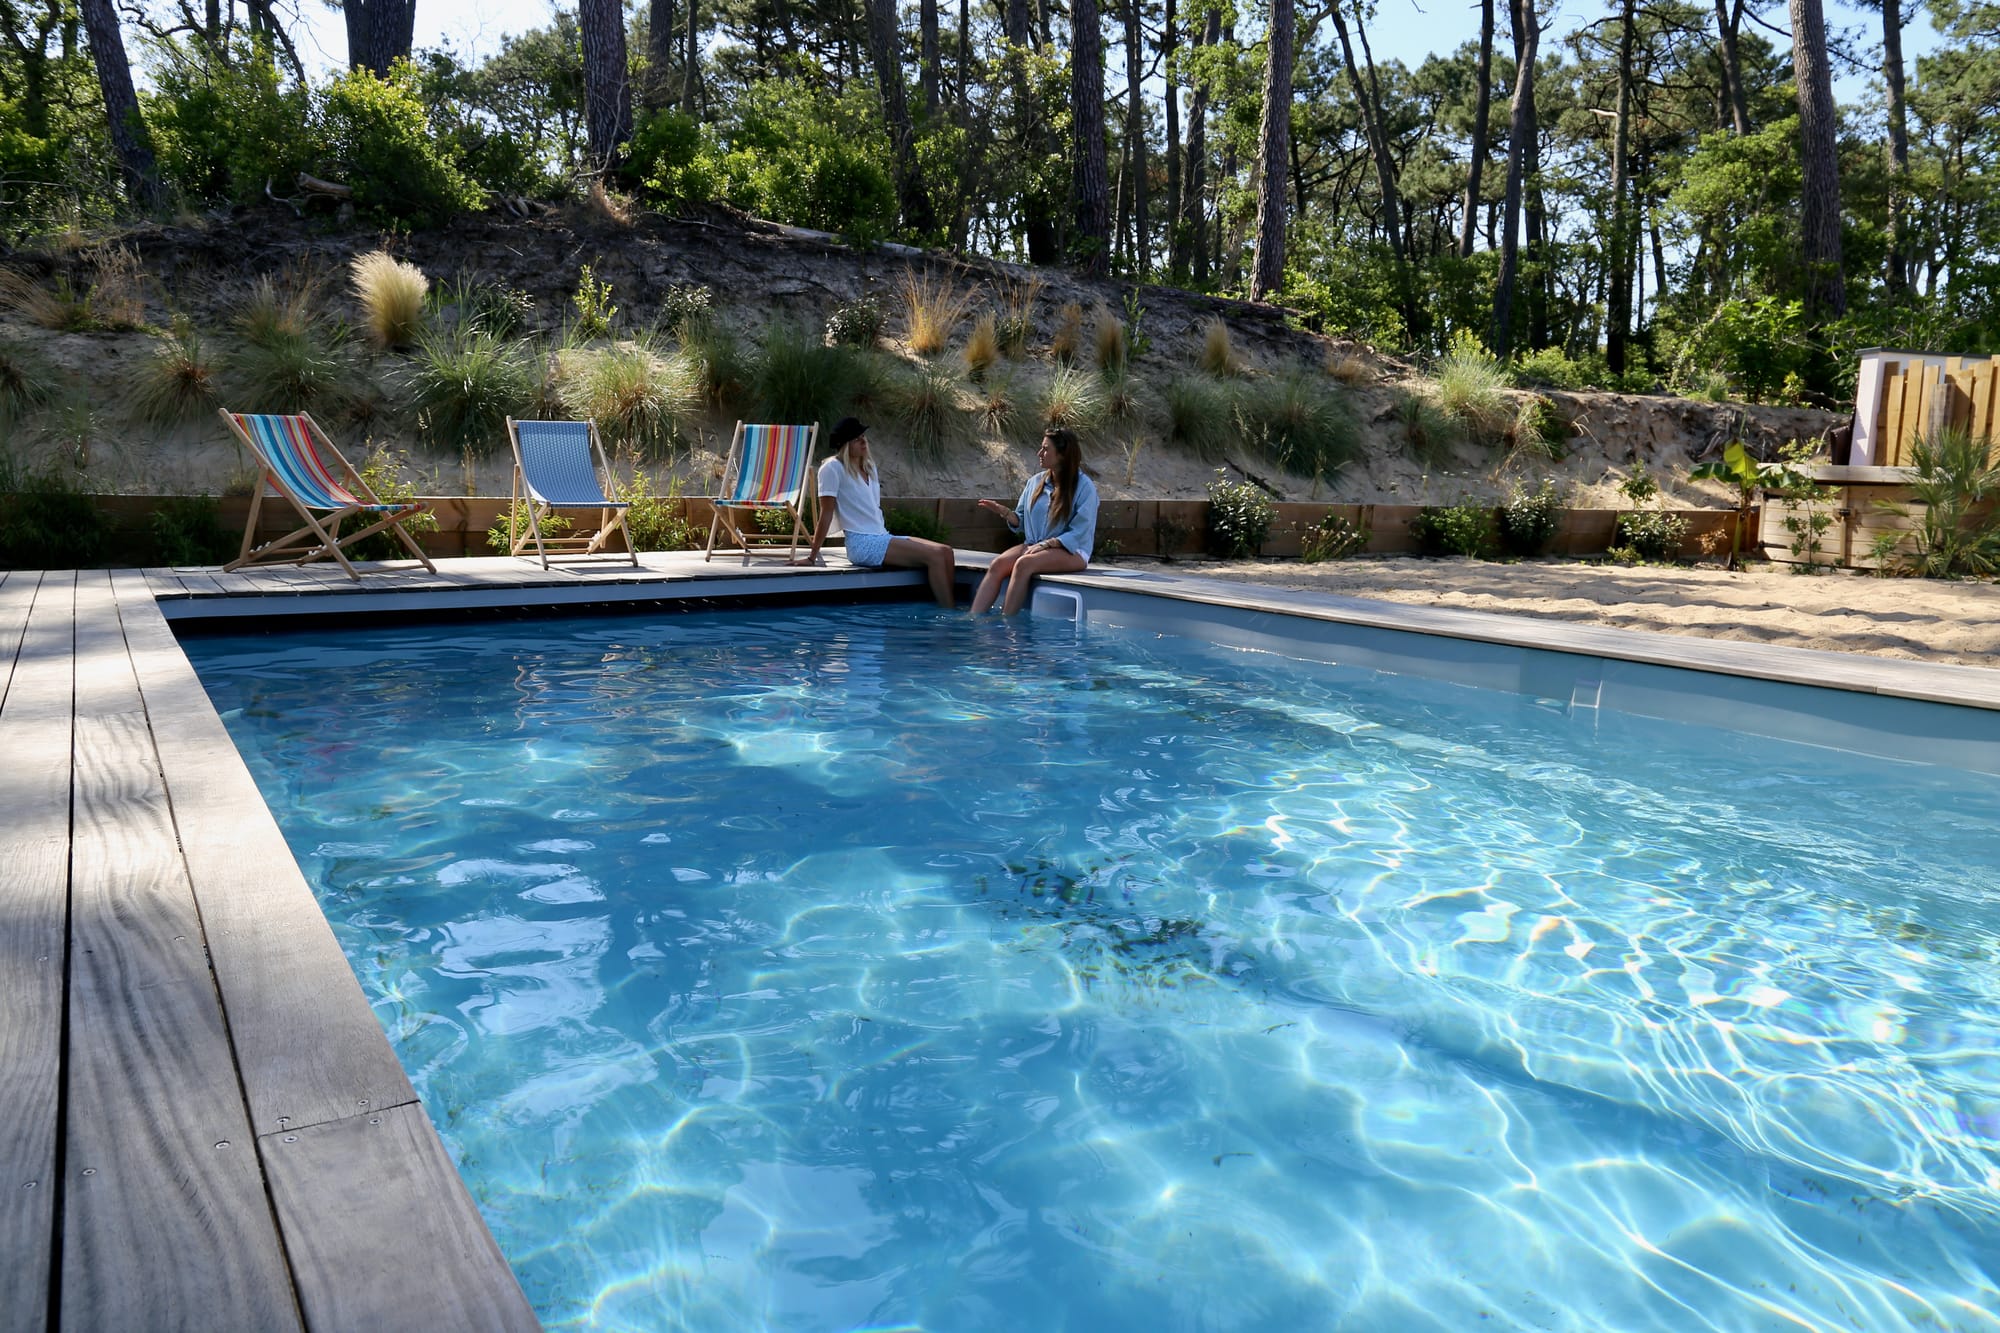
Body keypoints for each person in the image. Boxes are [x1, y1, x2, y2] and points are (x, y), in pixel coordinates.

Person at [795, 416, 957, 607]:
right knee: (936, 555)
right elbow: (826, 513)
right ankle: (949, 613)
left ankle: (946, 605)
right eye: (857, 439)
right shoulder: (832, 468)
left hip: (880, 536)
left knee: (946, 551)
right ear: (845, 444)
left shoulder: (869, 467)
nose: (864, 442)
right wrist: (812, 556)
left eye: (864, 436)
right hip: (861, 543)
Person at [971, 428, 1099, 616]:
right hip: (1034, 546)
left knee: (1024, 564)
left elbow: (1080, 531)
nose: (1039, 454)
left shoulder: (1084, 487)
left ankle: (1007, 623)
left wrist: (1047, 544)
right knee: (998, 564)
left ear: (1062, 455)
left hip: (1072, 551)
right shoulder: (1034, 482)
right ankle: (973, 620)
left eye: (1046, 449)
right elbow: (1020, 520)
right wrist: (1004, 512)